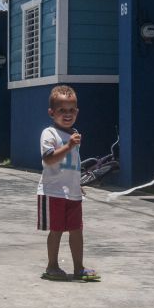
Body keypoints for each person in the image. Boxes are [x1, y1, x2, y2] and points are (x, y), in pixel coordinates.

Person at [37, 85, 100, 282]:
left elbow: (72, 163)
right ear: (51, 112)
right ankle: (52, 266)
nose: (67, 114)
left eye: (71, 110)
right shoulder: (49, 134)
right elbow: (49, 159)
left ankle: (79, 267)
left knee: (76, 229)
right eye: (62, 110)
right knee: (56, 230)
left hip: (72, 192)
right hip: (52, 191)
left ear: (77, 112)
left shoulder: (74, 133)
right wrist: (68, 145)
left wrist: (77, 182)